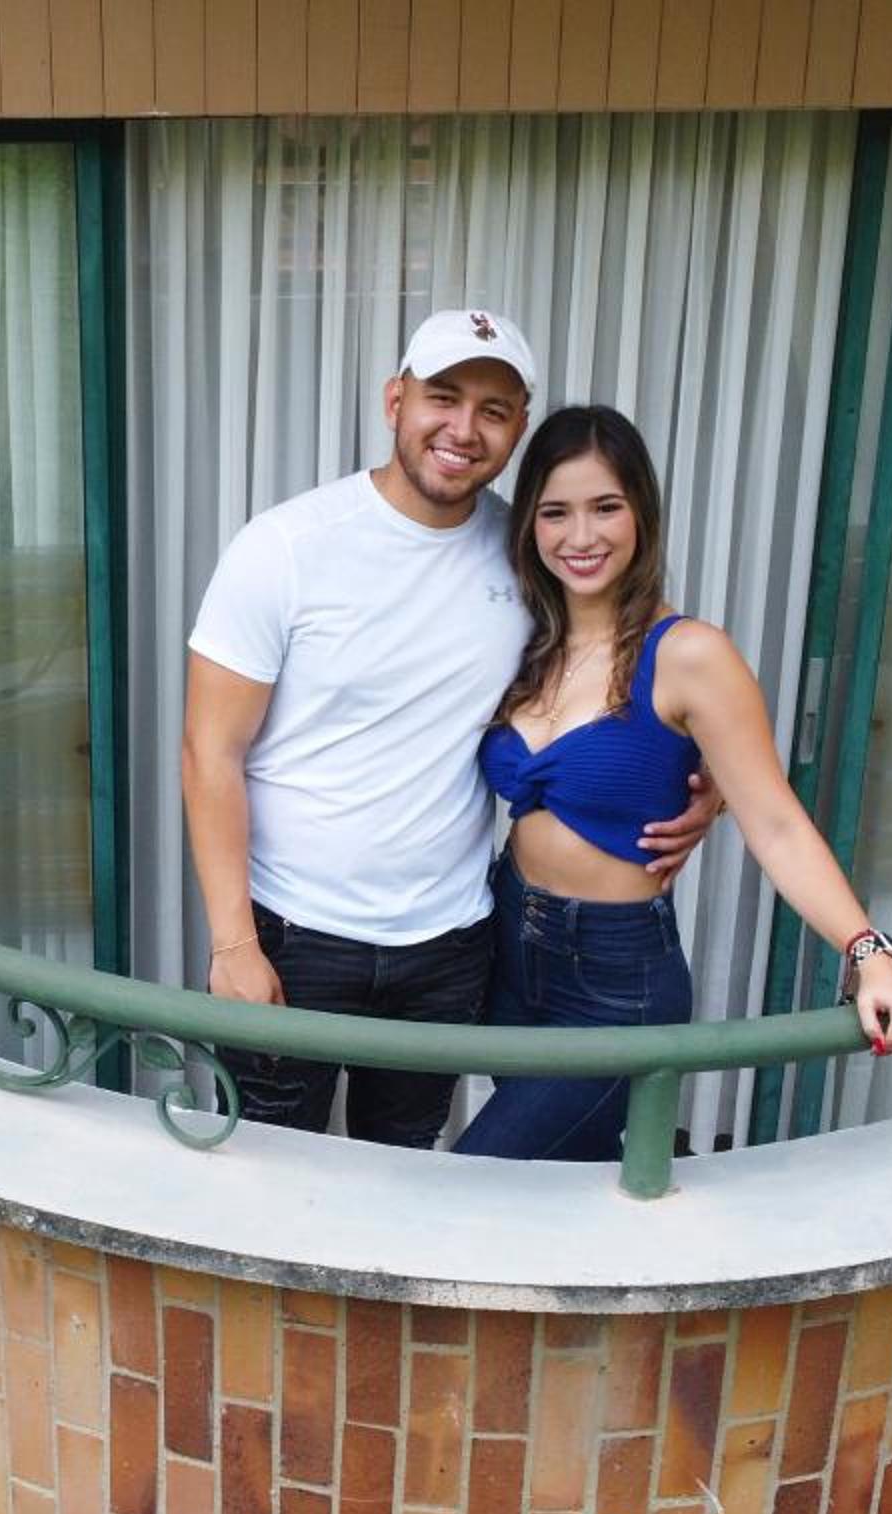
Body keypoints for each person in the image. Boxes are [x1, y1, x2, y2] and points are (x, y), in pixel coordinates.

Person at [181, 311, 715, 1146]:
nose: (464, 429)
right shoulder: (285, 547)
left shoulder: (531, 555)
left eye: (493, 410)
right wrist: (231, 944)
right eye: (443, 397)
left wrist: (706, 779)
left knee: (406, 1179)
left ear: (518, 429)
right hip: (293, 934)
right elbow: (209, 751)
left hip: (451, 943)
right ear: (395, 400)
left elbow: (640, 658)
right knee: (264, 1169)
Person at [456, 404, 892, 1162]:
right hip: (508, 947)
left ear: (642, 513)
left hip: (613, 981)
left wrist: (868, 951)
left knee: (478, 1175)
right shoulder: (525, 639)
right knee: (562, 1180)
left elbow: (776, 821)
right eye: (555, 513)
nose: (581, 536)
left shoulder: (691, 655)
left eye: (605, 507)